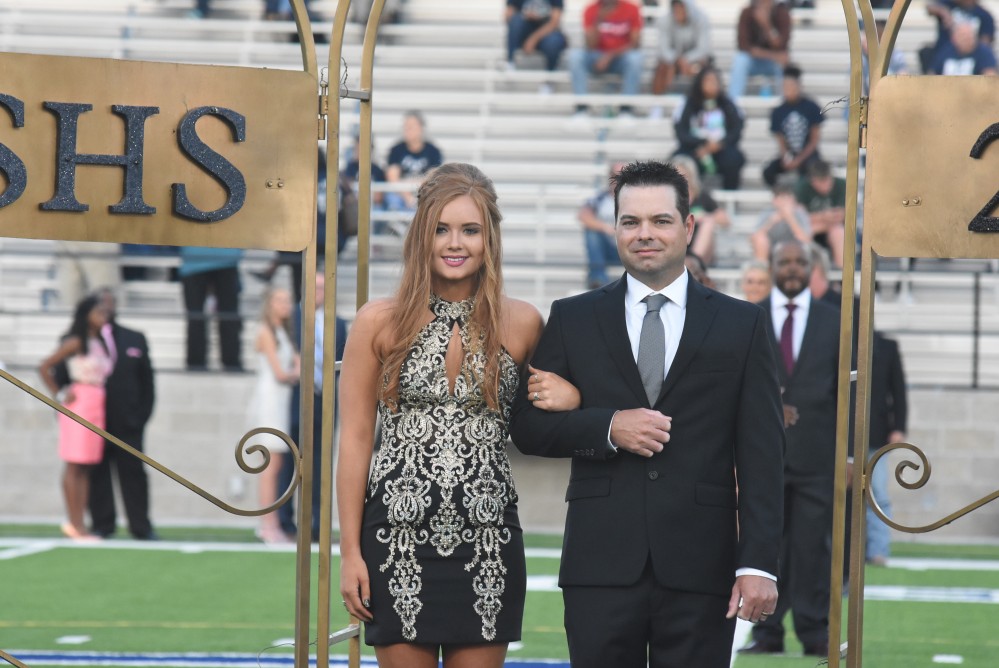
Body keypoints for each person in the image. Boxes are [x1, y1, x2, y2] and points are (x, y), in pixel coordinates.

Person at [510, 160, 785, 668]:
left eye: (660, 220)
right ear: (614, 227)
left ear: (689, 227)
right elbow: (527, 427)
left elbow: (763, 456)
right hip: (599, 564)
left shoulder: (741, 324)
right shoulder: (574, 316)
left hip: (703, 566)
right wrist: (607, 426)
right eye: (629, 221)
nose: (644, 234)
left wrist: (758, 564)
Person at [336, 163, 578, 667]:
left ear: (489, 238)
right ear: (421, 233)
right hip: (395, 536)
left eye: (470, 230)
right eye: (441, 228)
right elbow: (356, 439)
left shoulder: (523, 321)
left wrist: (572, 398)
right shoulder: (377, 321)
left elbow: (547, 418)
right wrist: (350, 552)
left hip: (488, 537)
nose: (455, 242)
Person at [740, 238, 839, 657]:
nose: (794, 269)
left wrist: (851, 455)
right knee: (766, 545)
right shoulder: (747, 318)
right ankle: (767, 632)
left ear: (812, 268)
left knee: (813, 549)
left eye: (801, 262)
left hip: (818, 457)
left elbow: (849, 393)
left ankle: (815, 631)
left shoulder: (837, 321)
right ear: (773, 266)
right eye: (786, 262)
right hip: (763, 458)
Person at [279, 269, 348, 541]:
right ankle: (286, 521)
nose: (318, 292)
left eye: (323, 287)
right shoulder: (291, 318)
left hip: (326, 400)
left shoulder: (338, 323)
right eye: (314, 287)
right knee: (290, 460)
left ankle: (318, 523)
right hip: (297, 398)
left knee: (321, 463)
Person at [39, 295, 114, 541]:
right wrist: (60, 392)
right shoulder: (75, 342)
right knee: (74, 463)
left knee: (86, 465)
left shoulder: (101, 342)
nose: (103, 317)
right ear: (86, 315)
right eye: (98, 313)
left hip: (97, 403)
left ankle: (80, 522)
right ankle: (74, 522)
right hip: (79, 402)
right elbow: (45, 366)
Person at [88, 289, 157, 540]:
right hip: (94, 422)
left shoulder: (134, 338)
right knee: (97, 475)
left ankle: (141, 526)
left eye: (109, 303)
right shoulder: (80, 339)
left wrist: (140, 417)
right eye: (100, 304)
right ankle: (102, 525)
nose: (105, 308)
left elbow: (147, 383)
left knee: (134, 475)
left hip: (128, 423)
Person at [247, 288, 300, 544]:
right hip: (270, 401)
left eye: (287, 300)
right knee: (270, 466)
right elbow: (281, 374)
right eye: (280, 300)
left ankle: (272, 522)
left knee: (277, 465)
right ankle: (267, 524)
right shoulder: (266, 332)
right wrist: (298, 371)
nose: (285, 305)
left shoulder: (283, 332)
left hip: (280, 400)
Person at [865, 333, 907, 566]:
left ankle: (878, 550)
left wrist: (899, 427)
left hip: (876, 435)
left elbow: (898, 388)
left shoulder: (887, 346)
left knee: (877, 494)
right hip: (841, 434)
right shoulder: (835, 339)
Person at [568, 0, 644, 120]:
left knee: (636, 58)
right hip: (596, 57)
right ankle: (581, 108)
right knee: (575, 57)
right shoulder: (591, 10)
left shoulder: (631, 9)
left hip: (620, 58)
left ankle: (626, 109)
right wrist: (598, 19)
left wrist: (610, 56)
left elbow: (635, 43)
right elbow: (590, 45)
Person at [672, 66, 746, 190]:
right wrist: (703, 144)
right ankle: (688, 198)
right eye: (708, 80)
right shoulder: (688, 103)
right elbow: (681, 132)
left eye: (714, 81)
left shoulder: (727, 103)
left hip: (721, 148)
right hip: (695, 148)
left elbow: (736, 130)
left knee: (734, 159)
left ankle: (730, 196)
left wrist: (719, 144)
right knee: (682, 162)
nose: (711, 84)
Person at [178, 246, 244, 372]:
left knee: (197, 315)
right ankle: (231, 362)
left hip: (197, 257)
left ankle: (196, 362)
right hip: (222, 256)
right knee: (227, 314)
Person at [762, 65, 823, 188]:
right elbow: (780, 138)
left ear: (799, 87)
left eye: (791, 87)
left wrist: (799, 159)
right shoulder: (778, 111)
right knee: (768, 172)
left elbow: (814, 139)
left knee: (812, 169)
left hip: (808, 154)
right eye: (785, 87)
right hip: (790, 153)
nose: (788, 90)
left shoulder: (811, 107)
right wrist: (786, 156)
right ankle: (779, 195)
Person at [671, 153, 731, 266]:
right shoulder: (668, 198)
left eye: (684, 175)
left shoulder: (702, 197)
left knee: (708, 222)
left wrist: (703, 216)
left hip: (701, 248)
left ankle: (694, 262)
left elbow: (725, 220)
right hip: (678, 242)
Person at [728, 0, 791, 99]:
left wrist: (766, 25)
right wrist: (773, 55)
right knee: (740, 60)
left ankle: (784, 103)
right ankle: (733, 102)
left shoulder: (781, 13)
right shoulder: (747, 12)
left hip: (772, 63)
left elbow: (782, 45)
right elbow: (744, 46)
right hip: (753, 61)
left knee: (783, 63)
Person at [652, 0, 713, 100]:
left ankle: (704, 104)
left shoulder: (701, 19)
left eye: (681, 7)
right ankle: (657, 105)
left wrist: (687, 59)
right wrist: (677, 59)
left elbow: (703, 48)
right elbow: (663, 49)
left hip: (695, 60)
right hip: (672, 62)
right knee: (662, 67)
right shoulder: (664, 21)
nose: (678, 11)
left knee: (705, 72)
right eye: (676, 7)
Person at [385, 111, 444, 212]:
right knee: (392, 200)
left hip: (424, 192)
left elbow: (433, 178)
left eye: (411, 126)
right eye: (405, 126)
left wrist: (412, 186)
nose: (407, 130)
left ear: (421, 128)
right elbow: (392, 178)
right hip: (401, 194)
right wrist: (407, 196)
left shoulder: (433, 151)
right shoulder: (396, 150)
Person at [578, 162, 625, 288]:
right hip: (609, 248)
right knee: (591, 232)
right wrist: (606, 228)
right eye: (615, 175)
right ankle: (598, 279)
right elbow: (583, 215)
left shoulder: (637, 199)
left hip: (629, 247)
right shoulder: (600, 199)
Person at [794, 159, 847, 267]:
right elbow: (800, 217)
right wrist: (825, 216)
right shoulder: (802, 187)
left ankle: (841, 270)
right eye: (821, 182)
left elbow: (842, 215)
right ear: (812, 181)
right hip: (814, 228)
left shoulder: (841, 185)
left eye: (827, 180)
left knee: (838, 232)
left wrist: (818, 217)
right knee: (802, 233)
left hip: (833, 227)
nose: (826, 185)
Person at [922, 0, 995, 72]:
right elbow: (929, 7)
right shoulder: (948, 5)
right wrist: (943, 12)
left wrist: (970, 47)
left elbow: (986, 42)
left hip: (974, 58)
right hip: (944, 54)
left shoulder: (984, 16)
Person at [504, 0, 568, 80]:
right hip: (525, 29)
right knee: (516, 21)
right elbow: (508, 16)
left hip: (546, 32)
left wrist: (533, 39)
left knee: (554, 41)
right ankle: (510, 62)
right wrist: (525, 14)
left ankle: (549, 79)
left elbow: (554, 22)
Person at [750, 180, 811, 262]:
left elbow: (805, 240)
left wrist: (790, 218)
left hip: (794, 251)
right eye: (782, 198)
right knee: (760, 238)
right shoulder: (767, 212)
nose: (784, 202)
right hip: (771, 251)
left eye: (787, 198)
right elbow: (754, 237)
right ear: (774, 201)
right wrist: (771, 222)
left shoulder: (800, 213)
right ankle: (762, 268)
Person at [931, 21, 999, 75]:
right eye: (963, 36)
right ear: (953, 39)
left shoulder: (984, 53)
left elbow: (990, 77)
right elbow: (932, 74)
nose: (967, 40)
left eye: (970, 36)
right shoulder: (946, 51)